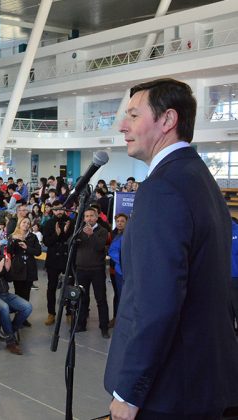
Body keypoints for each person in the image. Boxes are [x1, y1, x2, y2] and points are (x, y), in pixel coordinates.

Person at [105, 78, 238, 419]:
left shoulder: (161, 190)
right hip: (202, 381)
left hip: (169, 392)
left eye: (133, 115)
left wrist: (129, 393)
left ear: (167, 120)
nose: (123, 126)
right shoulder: (199, 179)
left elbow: (156, 303)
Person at [74, 208, 110, 338]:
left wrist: (91, 234)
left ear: (96, 217)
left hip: (97, 270)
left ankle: (104, 327)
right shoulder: (79, 230)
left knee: (101, 299)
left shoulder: (103, 231)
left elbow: (100, 246)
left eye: (91, 216)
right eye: (86, 216)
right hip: (81, 269)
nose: (89, 218)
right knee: (82, 299)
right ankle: (81, 324)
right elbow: (70, 244)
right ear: (83, 218)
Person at [41, 201, 72, 326]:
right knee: (51, 288)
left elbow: (73, 240)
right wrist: (57, 234)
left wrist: (65, 232)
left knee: (69, 287)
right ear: (52, 211)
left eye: (61, 209)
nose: (59, 212)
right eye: (56, 209)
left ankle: (69, 312)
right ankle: (51, 313)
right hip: (53, 259)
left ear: (64, 209)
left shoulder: (71, 222)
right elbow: (47, 242)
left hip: (67, 259)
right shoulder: (48, 223)